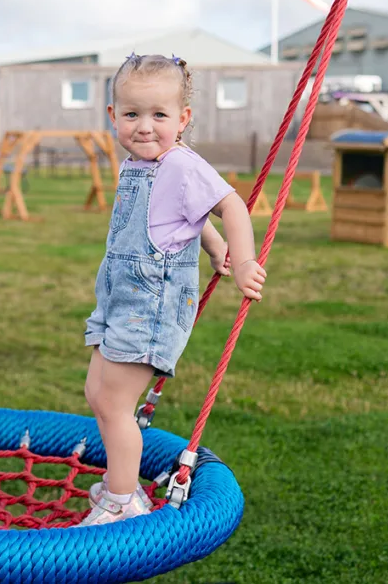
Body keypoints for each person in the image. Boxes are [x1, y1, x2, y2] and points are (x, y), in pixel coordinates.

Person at [79, 53, 266, 526]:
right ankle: (121, 484)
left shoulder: (182, 164)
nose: (145, 127)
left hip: (150, 308)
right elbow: (186, 215)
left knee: (116, 404)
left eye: (159, 115)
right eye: (132, 114)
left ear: (182, 119)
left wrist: (243, 260)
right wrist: (215, 246)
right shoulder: (137, 164)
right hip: (119, 298)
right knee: (97, 393)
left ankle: (122, 500)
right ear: (113, 116)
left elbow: (231, 205)